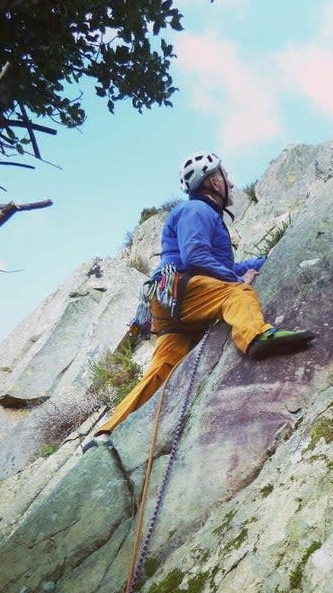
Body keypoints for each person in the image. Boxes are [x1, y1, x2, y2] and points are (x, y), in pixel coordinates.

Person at [82, 151, 315, 452]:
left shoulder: (202, 215)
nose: (231, 180)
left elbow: (216, 264)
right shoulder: (196, 210)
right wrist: (237, 282)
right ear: (214, 181)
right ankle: (256, 337)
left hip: (172, 305)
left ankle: (105, 433)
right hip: (180, 288)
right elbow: (196, 257)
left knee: (161, 369)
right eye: (225, 175)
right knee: (236, 293)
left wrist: (265, 260)